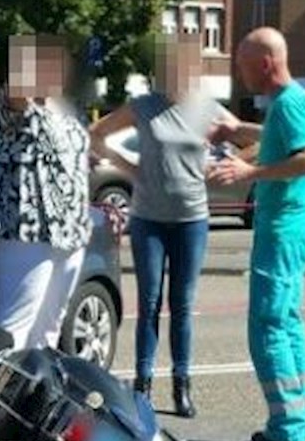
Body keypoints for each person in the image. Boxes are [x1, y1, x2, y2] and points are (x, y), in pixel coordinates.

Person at [88, 38, 231, 418]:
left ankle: (182, 385)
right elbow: (96, 135)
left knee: (182, 305)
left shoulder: (206, 109)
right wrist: (128, 167)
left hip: (192, 219)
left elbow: (246, 140)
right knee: (149, 302)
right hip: (149, 218)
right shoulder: (144, 106)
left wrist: (228, 167)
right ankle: (143, 384)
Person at [209, 27, 305, 441]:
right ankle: (302, 422)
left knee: (268, 327)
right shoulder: (289, 103)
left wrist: (249, 174)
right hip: (293, 228)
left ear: (265, 63)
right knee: (288, 324)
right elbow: (281, 137)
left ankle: (287, 430)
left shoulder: (291, 102)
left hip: (282, 229)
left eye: (243, 64)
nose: (241, 74)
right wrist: (240, 129)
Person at [0, 34, 92, 352]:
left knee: (49, 330)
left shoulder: (66, 114)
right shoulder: (18, 110)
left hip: (70, 234)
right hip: (25, 232)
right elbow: (16, 93)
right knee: (14, 324)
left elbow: (71, 171)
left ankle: (33, 396)